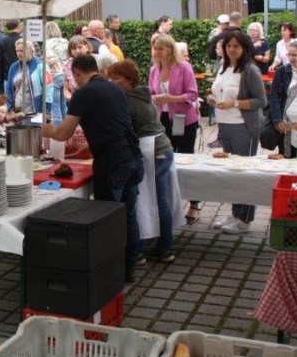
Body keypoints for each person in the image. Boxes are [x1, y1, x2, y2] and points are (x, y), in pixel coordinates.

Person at [42, 55, 144, 283]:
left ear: (77, 72)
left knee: (107, 215)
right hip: (132, 154)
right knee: (128, 212)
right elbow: (113, 122)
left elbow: (64, 133)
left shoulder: (83, 93)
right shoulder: (114, 88)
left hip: (112, 160)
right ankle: (130, 265)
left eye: (73, 75)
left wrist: (48, 131)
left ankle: (110, 269)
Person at [107, 59, 177, 264]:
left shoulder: (127, 101)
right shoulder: (144, 94)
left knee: (144, 201)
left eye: (116, 78)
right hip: (162, 147)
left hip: (151, 151)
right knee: (160, 201)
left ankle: (143, 250)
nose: (112, 82)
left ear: (128, 80)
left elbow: (123, 130)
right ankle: (164, 247)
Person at [207, 30, 266, 234]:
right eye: (228, 46)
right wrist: (212, 100)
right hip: (225, 125)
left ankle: (246, 219)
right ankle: (235, 213)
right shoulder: (223, 66)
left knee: (244, 172)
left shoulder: (250, 70)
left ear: (245, 48)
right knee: (232, 172)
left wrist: (236, 103)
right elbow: (220, 91)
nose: (231, 49)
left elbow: (261, 101)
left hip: (244, 127)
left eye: (236, 46)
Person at [149, 33, 201, 223]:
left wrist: (172, 98)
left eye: (161, 48)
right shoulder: (154, 70)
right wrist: (155, 98)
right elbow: (151, 92)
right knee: (165, 159)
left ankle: (194, 203)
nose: (157, 52)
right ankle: (170, 202)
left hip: (183, 119)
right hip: (161, 119)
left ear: (170, 49)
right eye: (155, 48)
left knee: (186, 158)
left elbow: (193, 94)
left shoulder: (184, 67)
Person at [269, 39, 297, 155]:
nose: (291, 58)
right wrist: (278, 119)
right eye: (289, 54)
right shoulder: (282, 71)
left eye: (294, 55)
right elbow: (274, 95)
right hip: (286, 123)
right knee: (286, 154)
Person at [5, 39, 51, 114]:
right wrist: (9, 108)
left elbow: (48, 88)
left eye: (22, 51)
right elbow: (8, 89)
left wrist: (47, 109)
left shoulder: (41, 66)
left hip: (36, 110)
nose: (19, 53)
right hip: (18, 110)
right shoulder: (14, 66)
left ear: (31, 51)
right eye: (17, 51)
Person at [44, 21, 69, 124]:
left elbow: (51, 61)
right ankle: (67, 128)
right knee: (63, 104)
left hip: (55, 76)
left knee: (55, 105)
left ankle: (58, 130)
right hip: (65, 75)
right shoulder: (66, 42)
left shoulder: (48, 43)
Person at [62, 35, 90, 106]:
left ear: (86, 47)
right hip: (74, 102)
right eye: (74, 48)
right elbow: (66, 89)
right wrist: (73, 99)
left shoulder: (95, 61)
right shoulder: (67, 64)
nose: (77, 51)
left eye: (80, 47)